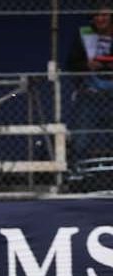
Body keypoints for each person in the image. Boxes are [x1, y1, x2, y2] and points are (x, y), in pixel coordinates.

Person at [68, 8, 113, 162]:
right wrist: (87, 65)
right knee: (81, 141)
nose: (100, 18)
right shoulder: (85, 33)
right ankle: (78, 176)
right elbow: (71, 64)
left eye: (105, 15)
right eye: (96, 15)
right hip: (91, 95)